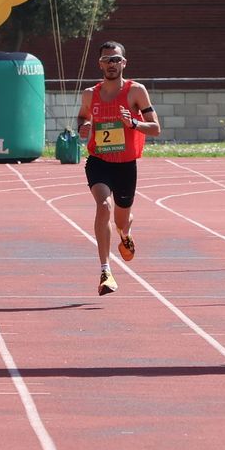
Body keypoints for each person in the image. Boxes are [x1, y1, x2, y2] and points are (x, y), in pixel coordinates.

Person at [75, 41, 160, 296]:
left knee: (121, 219)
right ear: (99, 64)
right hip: (99, 162)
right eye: (107, 60)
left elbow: (155, 128)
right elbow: (82, 117)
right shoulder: (90, 93)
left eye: (116, 59)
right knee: (104, 206)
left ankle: (125, 231)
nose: (111, 64)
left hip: (125, 166)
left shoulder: (136, 91)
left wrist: (133, 123)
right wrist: (83, 126)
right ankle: (105, 270)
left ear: (124, 62)